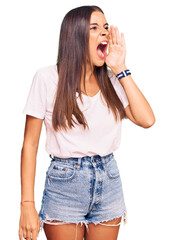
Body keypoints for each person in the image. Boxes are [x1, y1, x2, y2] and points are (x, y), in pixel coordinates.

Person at [18, 5, 155, 240]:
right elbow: (29, 145)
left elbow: (147, 119)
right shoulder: (47, 78)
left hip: (109, 181)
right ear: (75, 35)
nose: (105, 32)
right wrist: (27, 204)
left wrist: (121, 68)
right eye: (94, 28)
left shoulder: (112, 81)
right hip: (65, 184)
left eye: (105, 26)